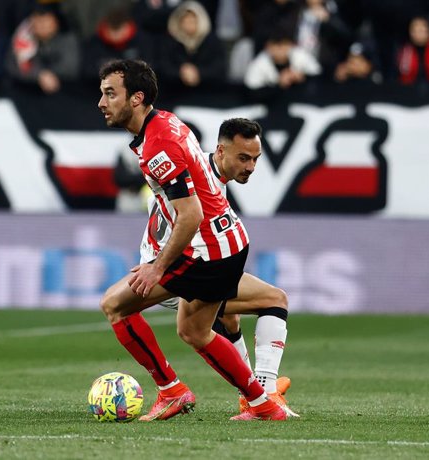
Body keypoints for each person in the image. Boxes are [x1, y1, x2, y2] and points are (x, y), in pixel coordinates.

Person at [98, 58, 288, 422]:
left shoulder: (158, 146)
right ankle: (262, 403)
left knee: (116, 306)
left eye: (110, 94)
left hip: (206, 252)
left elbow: (191, 215)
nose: (102, 102)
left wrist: (157, 267)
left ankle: (171, 390)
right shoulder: (166, 122)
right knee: (195, 330)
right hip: (228, 244)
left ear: (136, 98)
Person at [140, 118, 298, 417]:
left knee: (231, 319)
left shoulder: (199, 170)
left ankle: (253, 396)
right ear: (220, 152)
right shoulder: (203, 182)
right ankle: (263, 394)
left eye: (255, 159)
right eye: (243, 158)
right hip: (177, 272)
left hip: (173, 265)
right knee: (275, 300)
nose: (251, 166)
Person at [6, 4, 80, 94]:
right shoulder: (22, 39)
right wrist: (39, 75)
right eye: (37, 20)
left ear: (56, 22)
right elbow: (12, 66)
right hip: (27, 93)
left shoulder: (67, 39)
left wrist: (48, 74)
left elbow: (70, 68)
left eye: (45, 20)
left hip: (64, 93)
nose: (41, 24)